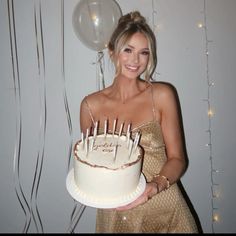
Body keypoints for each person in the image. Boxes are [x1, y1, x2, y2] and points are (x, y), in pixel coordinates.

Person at [79, 11, 200, 233]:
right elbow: (93, 169)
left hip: (165, 209)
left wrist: (152, 188)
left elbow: (178, 159)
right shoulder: (90, 106)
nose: (136, 60)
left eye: (143, 52)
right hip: (117, 216)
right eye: (128, 50)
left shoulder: (162, 95)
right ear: (112, 52)